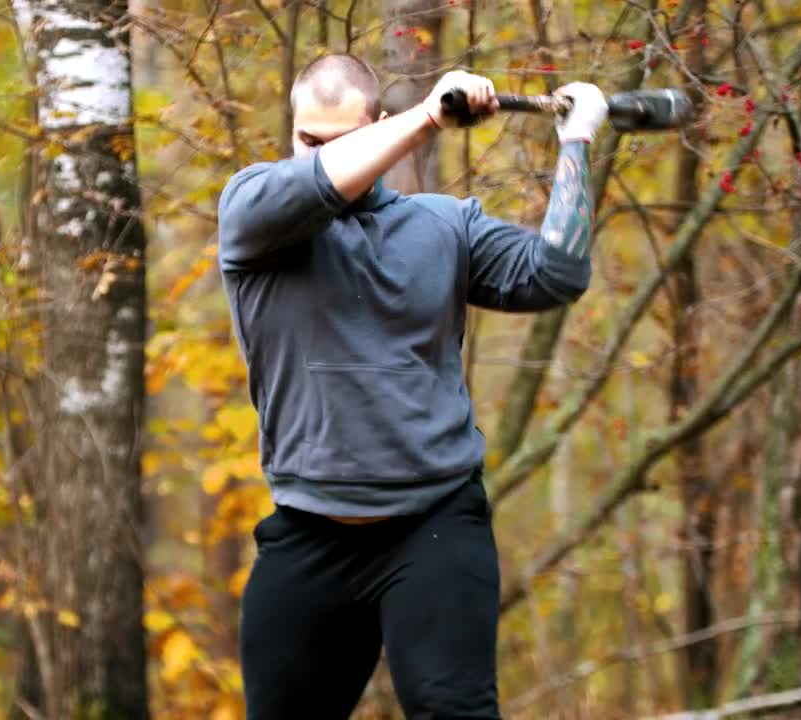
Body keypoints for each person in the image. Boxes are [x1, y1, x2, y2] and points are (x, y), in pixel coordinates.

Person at [216, 53, 607, 719]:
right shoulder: (254, 214)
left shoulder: (444, 226)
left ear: (376, 127)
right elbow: (321, 182)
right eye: (309, 140)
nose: (324, 154)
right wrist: (428, 116)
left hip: (434, 528)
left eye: (344, 140)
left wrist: (576, 142)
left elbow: (556, 274)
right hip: (309, 532)